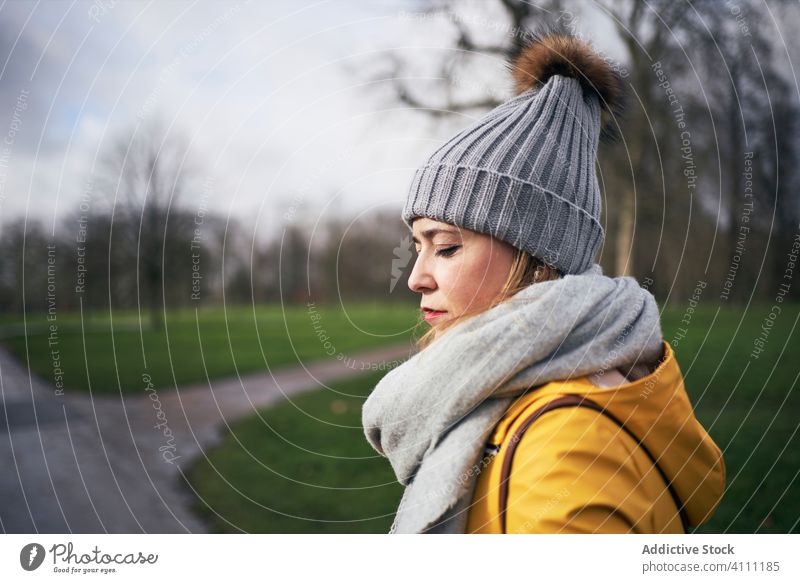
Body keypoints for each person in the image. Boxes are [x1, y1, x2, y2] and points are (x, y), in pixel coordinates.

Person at [362, 29, 725, 534]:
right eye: (418, 246)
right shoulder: (507, 397)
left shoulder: (570, 449)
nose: (417, 278)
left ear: (538, 257)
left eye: (445, 247)